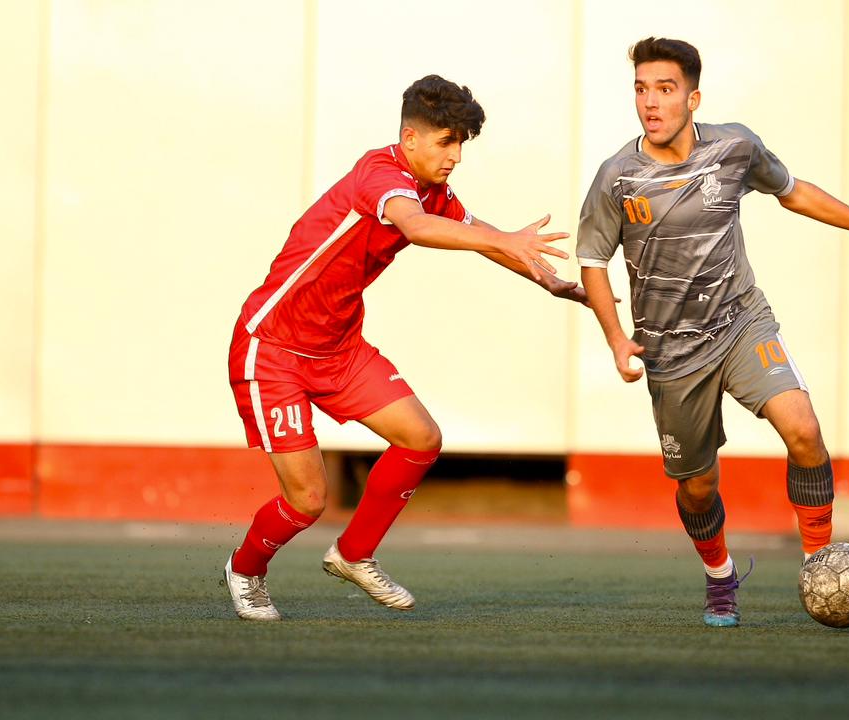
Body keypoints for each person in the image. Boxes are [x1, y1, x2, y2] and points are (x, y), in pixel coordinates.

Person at [577, 37, 849, 627]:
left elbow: (793, 192)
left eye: (665, 89)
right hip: (671, 351)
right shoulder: (617, 177)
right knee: (697, 487)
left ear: (693, 98)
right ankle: (720, 575)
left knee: (804, 429)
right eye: (641, 89)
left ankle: (820, 564)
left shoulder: (735, 147)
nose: (650, 103)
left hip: (742, 321)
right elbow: (592, 261)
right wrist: (617, 339)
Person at [224, 74, 585, 621]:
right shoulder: (382, 175)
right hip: (272, 349)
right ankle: (246, 569)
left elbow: (478, 235)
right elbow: (416, 227)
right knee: (308, 500)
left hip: (339, 347)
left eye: (461, 143)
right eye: (446, 142)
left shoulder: (431, 187)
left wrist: (547, 280)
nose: (456, 156)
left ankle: (354, 553)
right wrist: (504, 239)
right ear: (410, 137)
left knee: (421, 438)